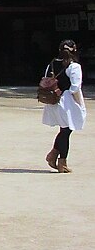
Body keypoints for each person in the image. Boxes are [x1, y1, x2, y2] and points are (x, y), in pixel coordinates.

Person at [43, 39, 85, 173]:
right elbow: (75, 88)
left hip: (53, 100)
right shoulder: (74, 66)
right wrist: (79, 105)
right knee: (66, 131)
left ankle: (54, 155)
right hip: (67, 101)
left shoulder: (52, 63)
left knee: (64, 130)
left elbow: (45, 80)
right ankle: (61, 161)